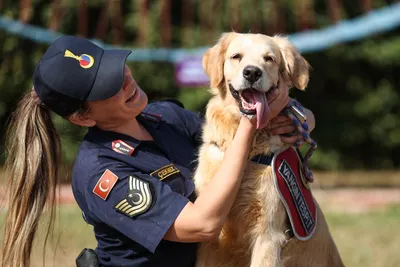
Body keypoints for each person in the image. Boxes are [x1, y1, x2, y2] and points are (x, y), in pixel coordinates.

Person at [1, 36, 315, 267]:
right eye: (109, 85)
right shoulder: (102, 172)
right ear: (83, 117)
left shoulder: (165, 117)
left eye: (117, 68)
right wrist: (250, 126)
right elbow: (202, 225)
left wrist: (297, 118)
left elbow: (229, 141)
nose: (125, 80)